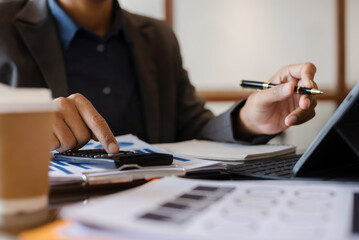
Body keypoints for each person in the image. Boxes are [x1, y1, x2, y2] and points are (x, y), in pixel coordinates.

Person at [0, 0, 317, 154]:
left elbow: (193, 131)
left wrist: (248, 120)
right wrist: (22, 126)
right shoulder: (4, 25)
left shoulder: (159, 37)